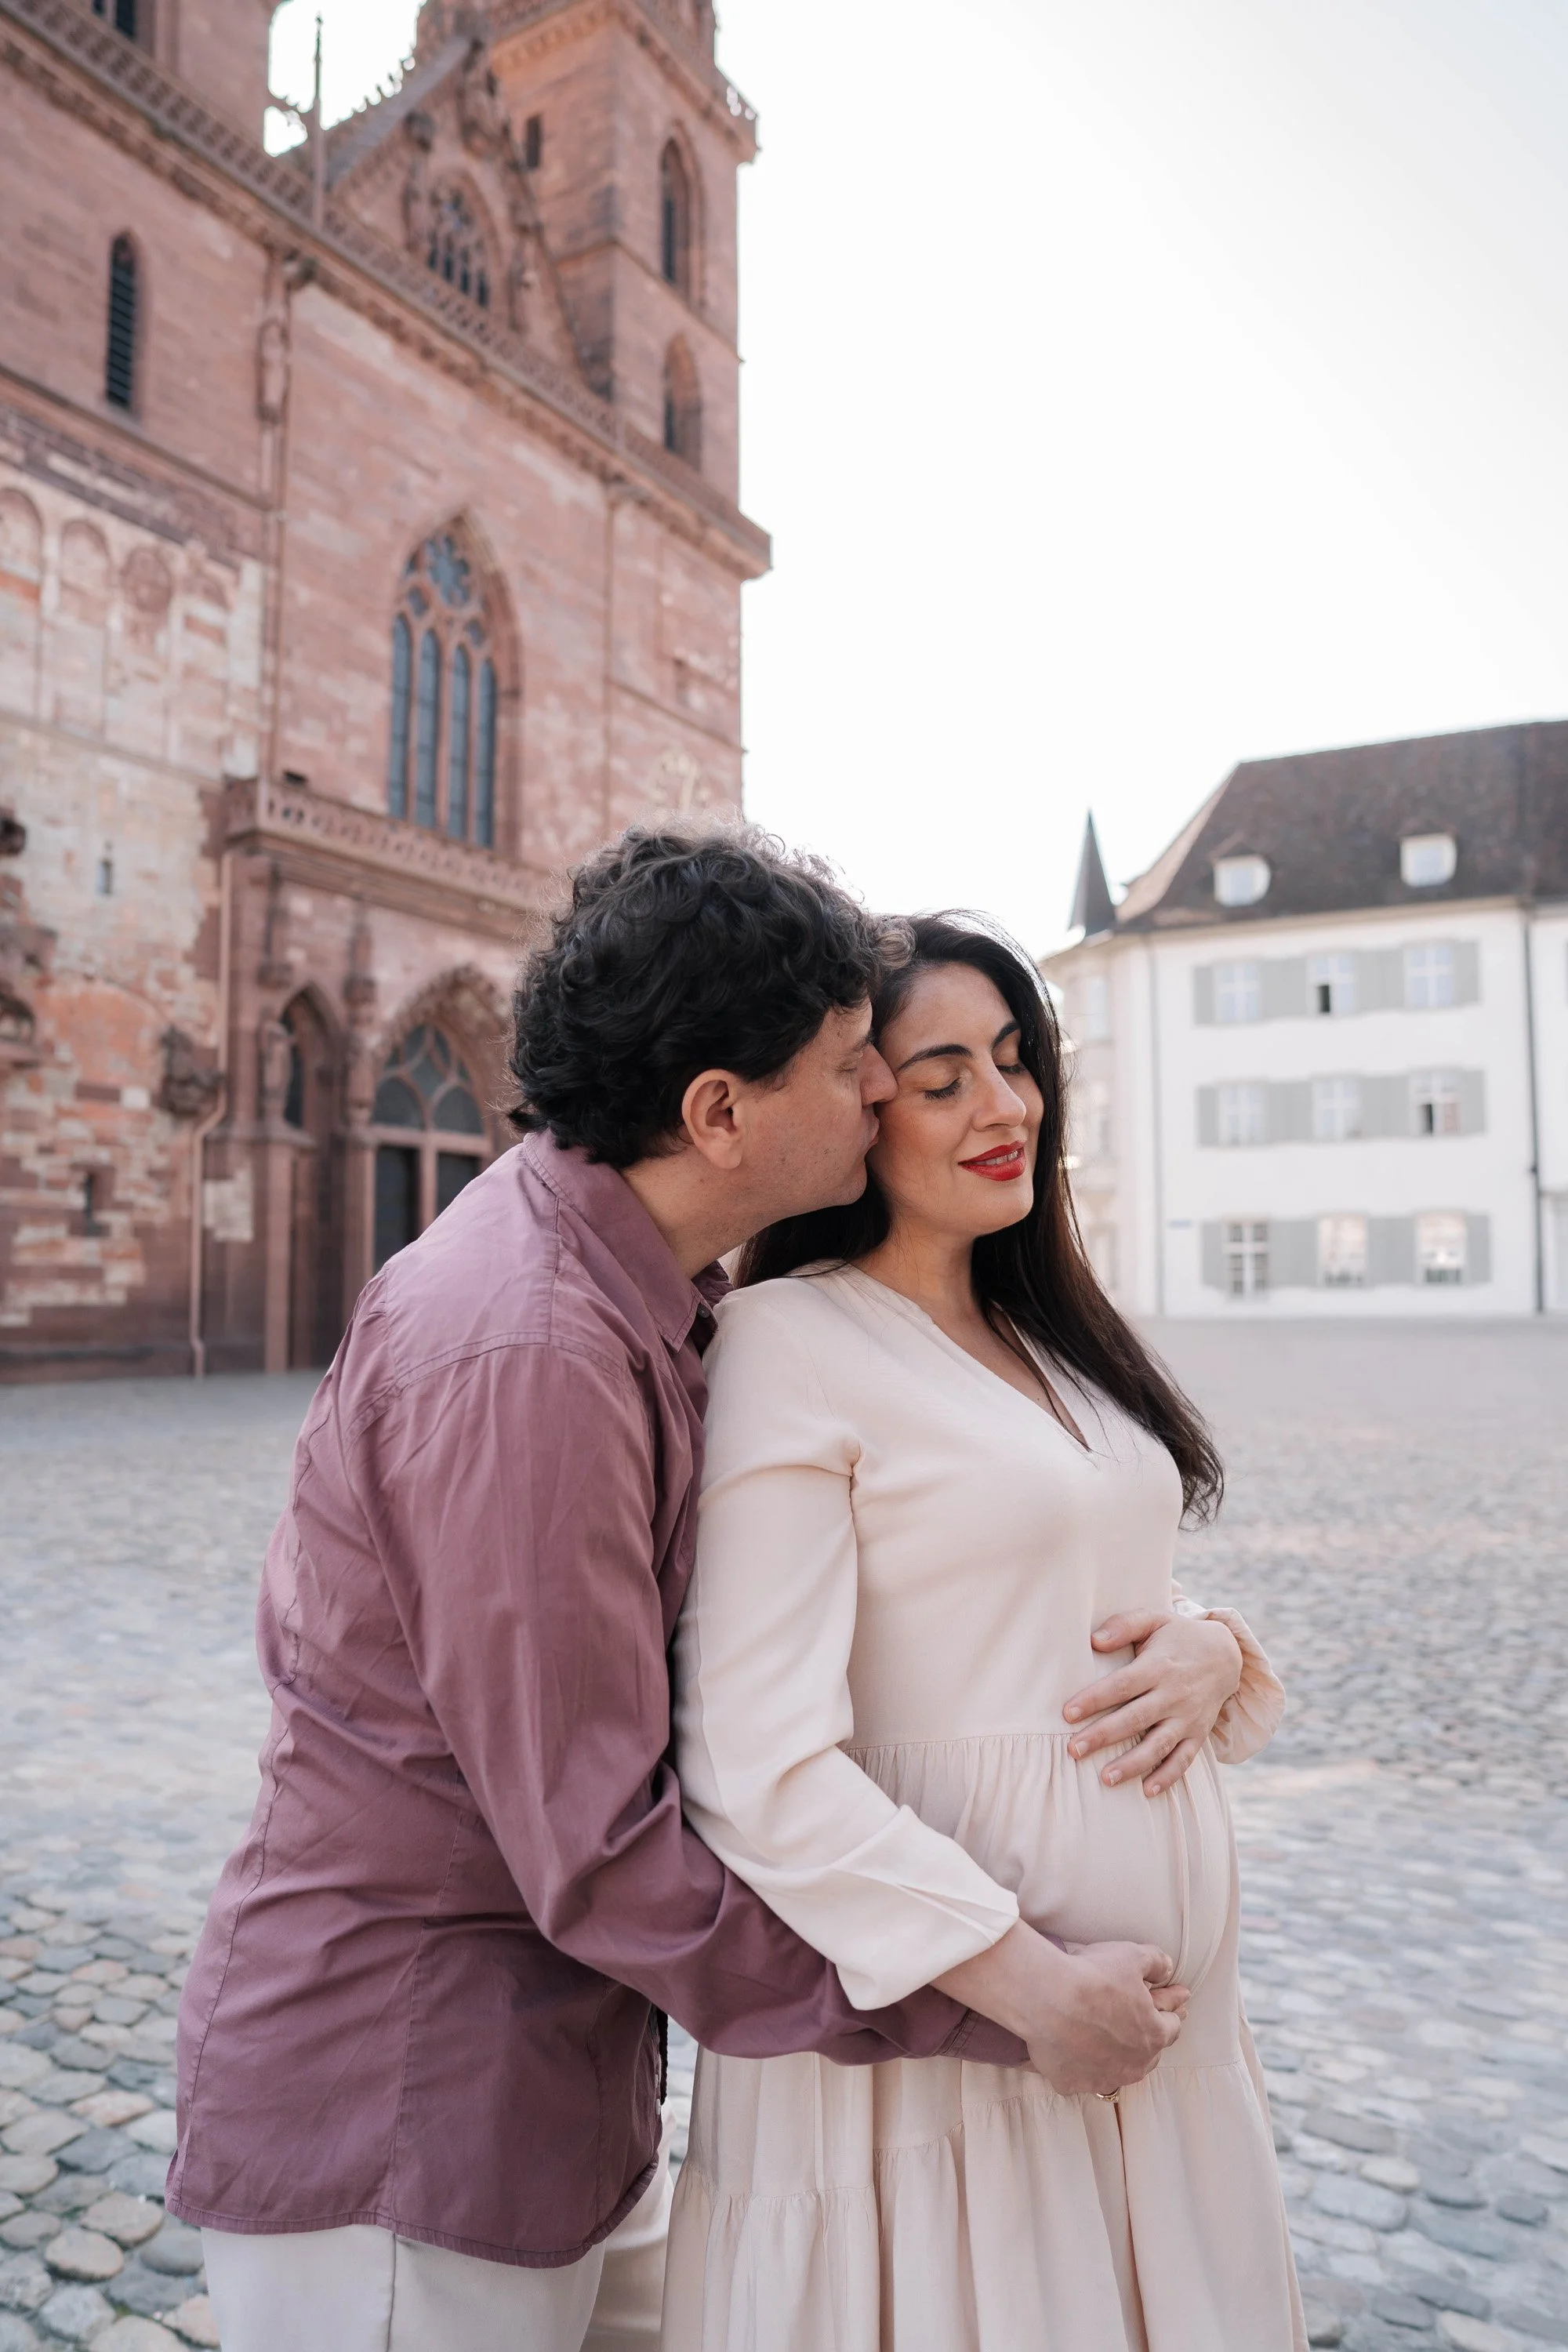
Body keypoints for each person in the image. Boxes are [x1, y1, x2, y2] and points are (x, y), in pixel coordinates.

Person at [166, 830, 1230, 2352]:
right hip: (407, 2115)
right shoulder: (528, 1352)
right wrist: (1001, 2003)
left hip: (542, 2087)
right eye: (856, 1062)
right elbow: (597, 1847)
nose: (885, 1091)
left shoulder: (653, 1302)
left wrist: (1208, 1641)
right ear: (721, 1111)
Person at [662, 911, 1305, 2351]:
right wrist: (1028, 1989)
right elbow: (753, 1762)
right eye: (941, 1076)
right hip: (955, 2060)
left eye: (1014, 1062)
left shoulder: (1047, 1332)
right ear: (859, 1109)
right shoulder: (786, 1341)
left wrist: (1210, 1642)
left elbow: (1064, 1575)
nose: (1005, 1105)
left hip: (1165, 2060)